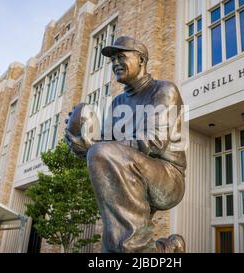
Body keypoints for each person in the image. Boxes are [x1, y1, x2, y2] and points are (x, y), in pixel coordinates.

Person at [65, 36, 186, 253]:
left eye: (121, 56)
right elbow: (107, 148)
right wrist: (80, 143)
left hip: (168, 175)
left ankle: (150, 251)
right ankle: (164, 249)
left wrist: (97, 147)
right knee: (117, 235)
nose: (115, 63)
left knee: (102, 152)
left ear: (141, 59)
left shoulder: (164, 90)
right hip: (131, 171)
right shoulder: (118, 103)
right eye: (112, 60)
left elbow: (154, 141)